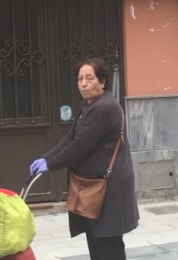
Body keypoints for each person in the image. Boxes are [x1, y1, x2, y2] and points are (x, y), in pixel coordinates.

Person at [30, 57, 138, 260]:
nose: (84, 83)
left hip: (109, 187)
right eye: (80, 79)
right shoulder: (86, 106)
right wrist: (45, 158)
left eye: (90, 78)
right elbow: (70, 137)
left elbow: (80, 146)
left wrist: (51, 164)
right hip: (93, 186)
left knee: (108, 244)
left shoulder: (105, 108)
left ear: (102, 81)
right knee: (96, 240)